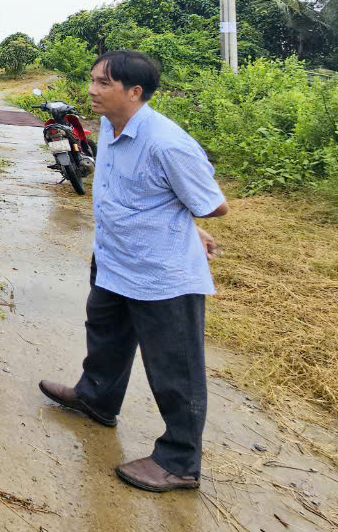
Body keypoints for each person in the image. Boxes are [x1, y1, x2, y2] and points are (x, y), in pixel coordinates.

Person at [38, 50, 229, 493]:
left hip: (160, 272)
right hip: (113, 258)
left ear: (135, 92)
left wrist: (190, 227)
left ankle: (179, 462)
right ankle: (97, 398)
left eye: (103, 83)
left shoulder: (167, 142)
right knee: (105, 333)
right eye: (92, 80)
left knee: (174, 368)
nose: (91, 90)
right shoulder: (109, 124)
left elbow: (213, 203)